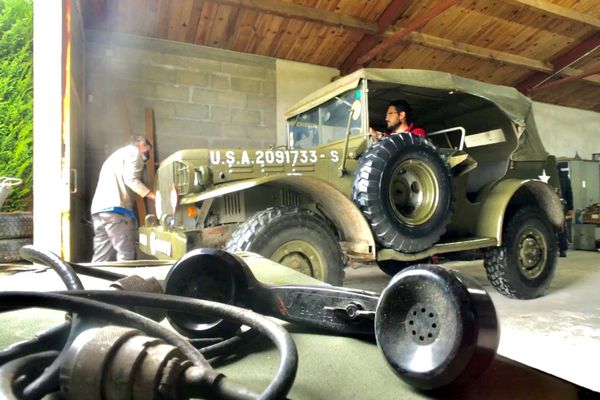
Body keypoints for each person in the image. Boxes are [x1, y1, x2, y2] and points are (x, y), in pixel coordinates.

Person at [90, 136, 155, 262]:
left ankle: (92, 280)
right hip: (116, 210)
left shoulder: (116, 156)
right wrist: (153, 196)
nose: (149, 154)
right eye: (149, 149)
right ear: (141, 143)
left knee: (101, 256)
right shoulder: (133, 152)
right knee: (126, 254)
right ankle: (127, 282)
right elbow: (131, 179)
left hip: (99, 210)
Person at [557, 166, 574, 258]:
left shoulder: (546, 175)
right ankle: (562, 249)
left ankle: (559, 248)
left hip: (550, 204)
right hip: (562, 205)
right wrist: (570, 208)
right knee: (561, 228)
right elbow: (569, 193)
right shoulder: (564, 176)